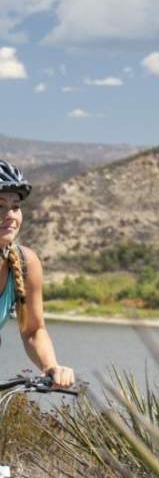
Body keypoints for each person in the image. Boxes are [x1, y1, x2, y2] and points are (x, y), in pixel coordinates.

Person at [0, 161, 74, 387]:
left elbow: (32, 330)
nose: (11, 215)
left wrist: (51, 366)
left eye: (15, 206)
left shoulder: (24, 263)